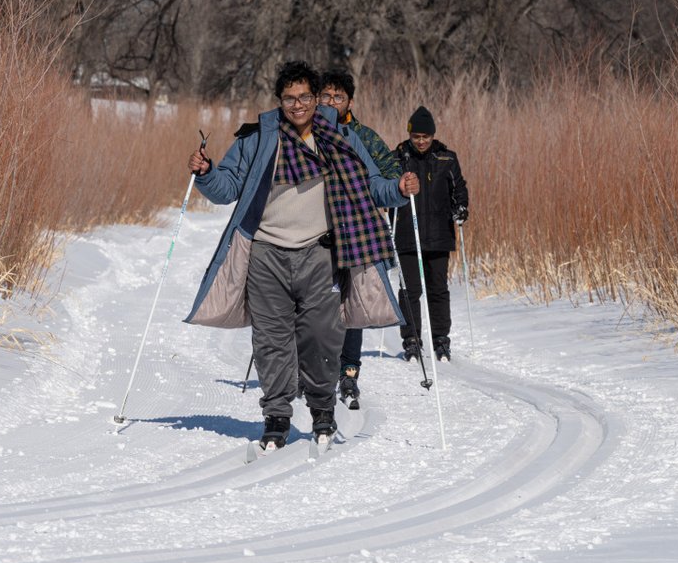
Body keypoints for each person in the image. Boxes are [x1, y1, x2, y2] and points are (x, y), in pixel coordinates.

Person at [183, 60, 417, 450]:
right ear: (279, 100)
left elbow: (374, 185)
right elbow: (227, 188)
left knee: (322, 337)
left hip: (321, 253)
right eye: (289, 98)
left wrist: (399, 189)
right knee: (271, 340)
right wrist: (206, 173)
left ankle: (323, 410)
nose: (298, 105)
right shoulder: (259, 137)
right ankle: (276, 416)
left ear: (315, 98)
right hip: (266, 254)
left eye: (305, 96)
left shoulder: (340, 137)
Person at [319, 68, 403, 411]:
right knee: (315, 303)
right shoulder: (305, 134)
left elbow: (389, 173)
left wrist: (396, 188)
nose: (331, 102)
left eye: (338, 97)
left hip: (355, 230)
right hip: (316, 232)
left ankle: (349, 369)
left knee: (352, 302)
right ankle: (313, 366)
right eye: (325, 96)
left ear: (349, 102)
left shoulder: (363, 137)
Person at [393, 105, 469, 362]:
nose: (421, 141)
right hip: (407, 234)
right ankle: (411, 339)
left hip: (439, 234)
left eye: (426, 136)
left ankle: (441, 338)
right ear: (410, 135)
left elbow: (459, 188)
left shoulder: (447, 158)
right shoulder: (398, 158)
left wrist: (461, 208)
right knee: (410, 290)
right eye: (416, 137)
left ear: (433, 135)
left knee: (438, 289)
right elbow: (388, 187)